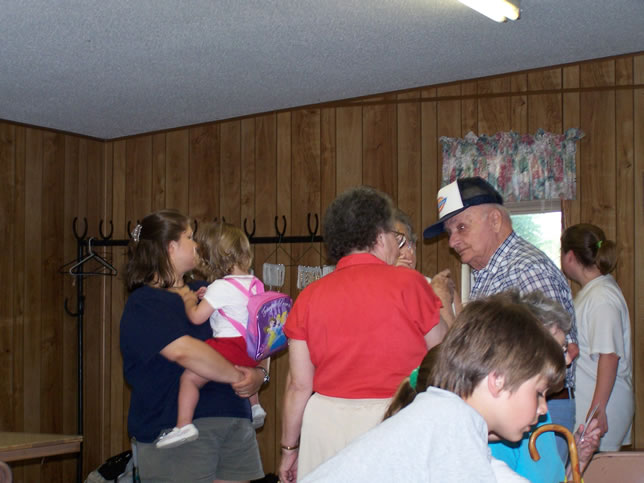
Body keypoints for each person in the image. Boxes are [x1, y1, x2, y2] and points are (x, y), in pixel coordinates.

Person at [279, 186, 449, 482]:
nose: (398, 247)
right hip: (394, 418)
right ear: (381, 237)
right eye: (396, 238)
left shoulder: (308, 296)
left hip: (325, 423)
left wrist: (289, 449)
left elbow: (298, 385)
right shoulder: (410, 284)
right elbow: (444, 355)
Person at [301, 292, 565, 482]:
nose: (543, 408)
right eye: (538, 393)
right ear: (498, 381)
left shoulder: (448, 416)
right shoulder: (450, 423)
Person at [423, 176, 579, 464]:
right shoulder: (493, 271)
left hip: (536, 413)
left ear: (495, 220)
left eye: (461, 227)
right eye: (449, 232)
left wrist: (444, 307)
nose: (453, 241)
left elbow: (547, 362)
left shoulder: (526, 270)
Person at [120, 209, 265, 482]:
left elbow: (257, 332)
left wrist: (260, 374)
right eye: (189, 237)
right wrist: (238, 375)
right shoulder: (145, 303)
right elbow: (186, 352)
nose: (197, 245)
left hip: (233, 419)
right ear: (171, 247)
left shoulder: (208, 290)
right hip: (178, 430)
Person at [155, 221, 269, 449]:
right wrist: (209, 294)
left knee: (190, 378)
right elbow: (239, 306)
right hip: (251, 348)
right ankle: (255, 406)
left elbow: (197, 317)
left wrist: (190, 301)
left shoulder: (220, 287)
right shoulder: (256, 284)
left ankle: (183, 425)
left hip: (228, 346)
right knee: (244, 371)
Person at [488, 291, 601, 482]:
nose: (567, 360)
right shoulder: (505, 425)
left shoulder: (540, 412)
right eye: (560, 349)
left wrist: (578, 460)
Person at [561, 223, 634, 451]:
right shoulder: (594, 291)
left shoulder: (601, 297)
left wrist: (597, 410)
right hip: (593, 403)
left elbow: (609, 355)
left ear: (570, 256)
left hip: (602, 407)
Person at [394, 208, 461, 325]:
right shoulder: (375, 295)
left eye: (403, 244)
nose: (400, 254)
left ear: (414, 246)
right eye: (392, 246)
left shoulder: (442, 290)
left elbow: (461, 335)